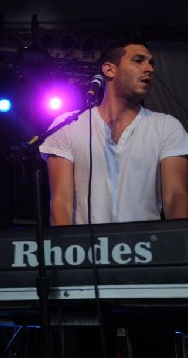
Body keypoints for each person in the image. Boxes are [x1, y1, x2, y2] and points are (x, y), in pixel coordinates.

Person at [39, 39, 188, 357]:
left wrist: (177, 263)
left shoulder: (166, 127)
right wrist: (68, 268)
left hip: (148, 267)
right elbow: (61, 203)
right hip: (84, 268)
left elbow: (176, 196)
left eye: (151, 62)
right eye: (138, 60)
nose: (149, 68)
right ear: (109, 69)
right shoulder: (68, 125)